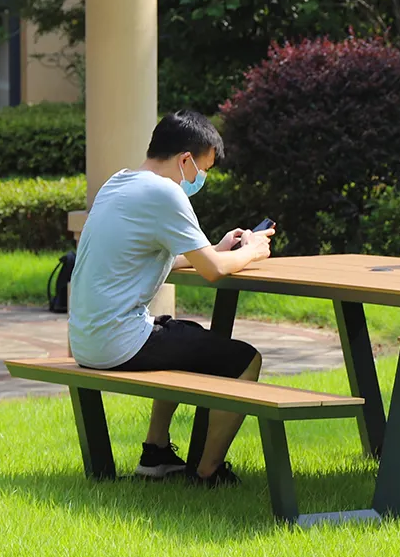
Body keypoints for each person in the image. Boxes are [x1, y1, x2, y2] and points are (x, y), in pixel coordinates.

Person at [69, 110, 274, 486]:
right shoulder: (165, 192)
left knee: (185, 334)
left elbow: (161, 254)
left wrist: (214, 249)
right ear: (184, 160)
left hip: (86, 339)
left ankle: (157, 451)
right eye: (202, 169)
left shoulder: (120, 182)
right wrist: (253, 250)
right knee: (247, 360)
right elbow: (212, 271)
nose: (200, 179)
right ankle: (208, 473)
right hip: (118, 342)